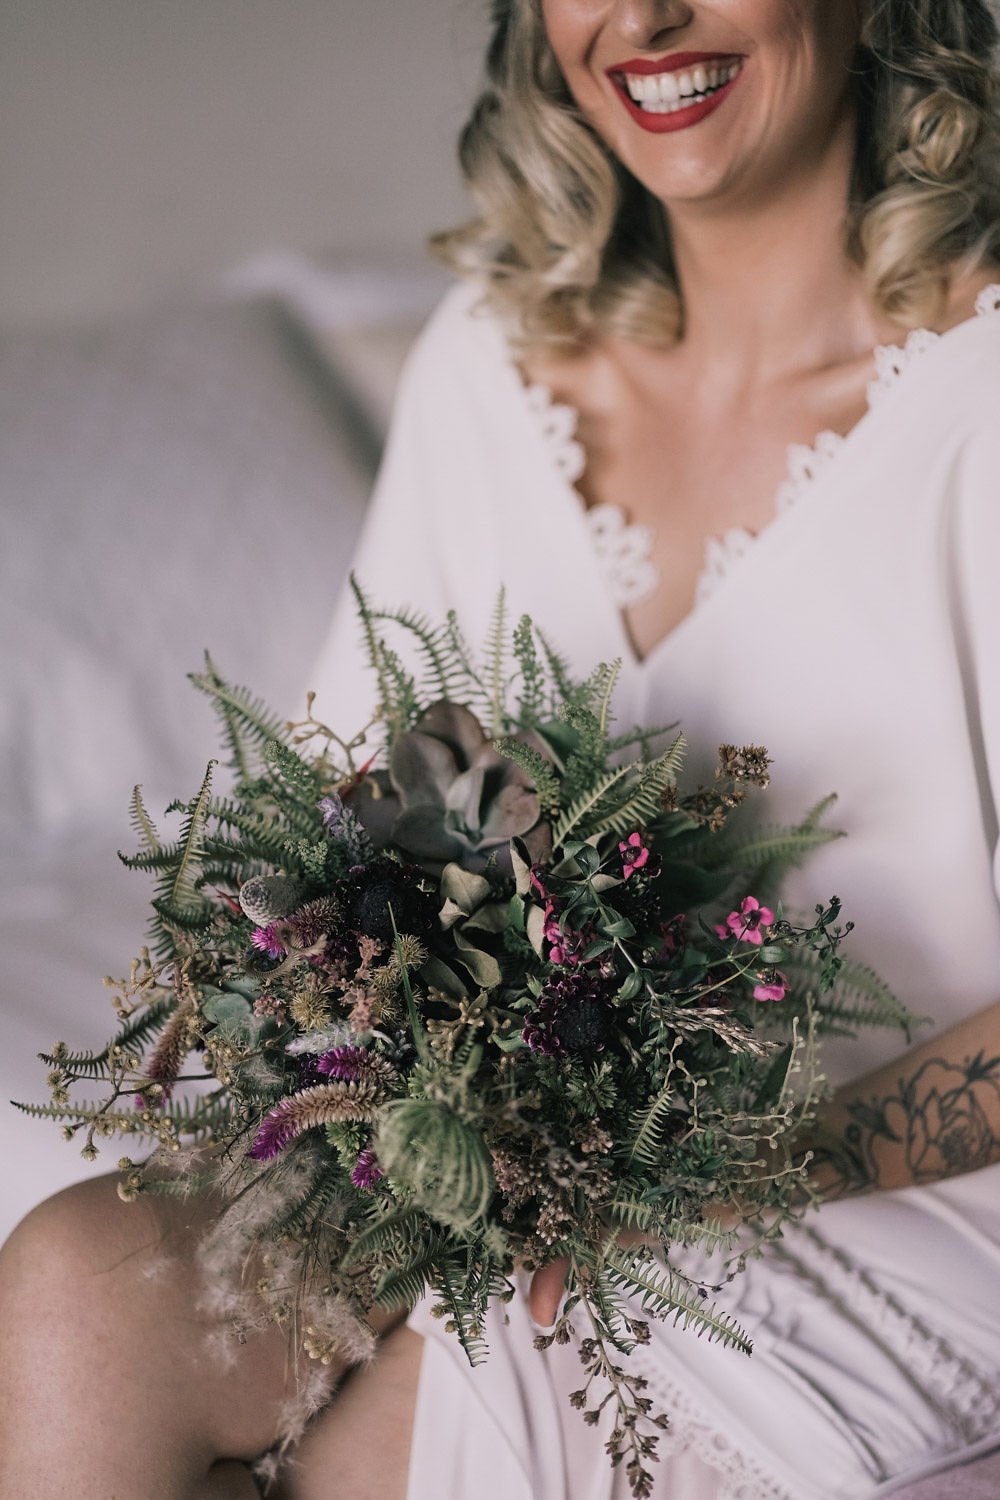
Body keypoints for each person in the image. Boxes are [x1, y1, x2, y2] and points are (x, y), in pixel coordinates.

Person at [2, 1, 999, 1496]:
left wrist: (723, 1174)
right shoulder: (495, 350)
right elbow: (351, 805)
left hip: (902, 1190)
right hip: (515, 1172)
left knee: (415, 1433)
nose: (645, 16)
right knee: (84, 1287)